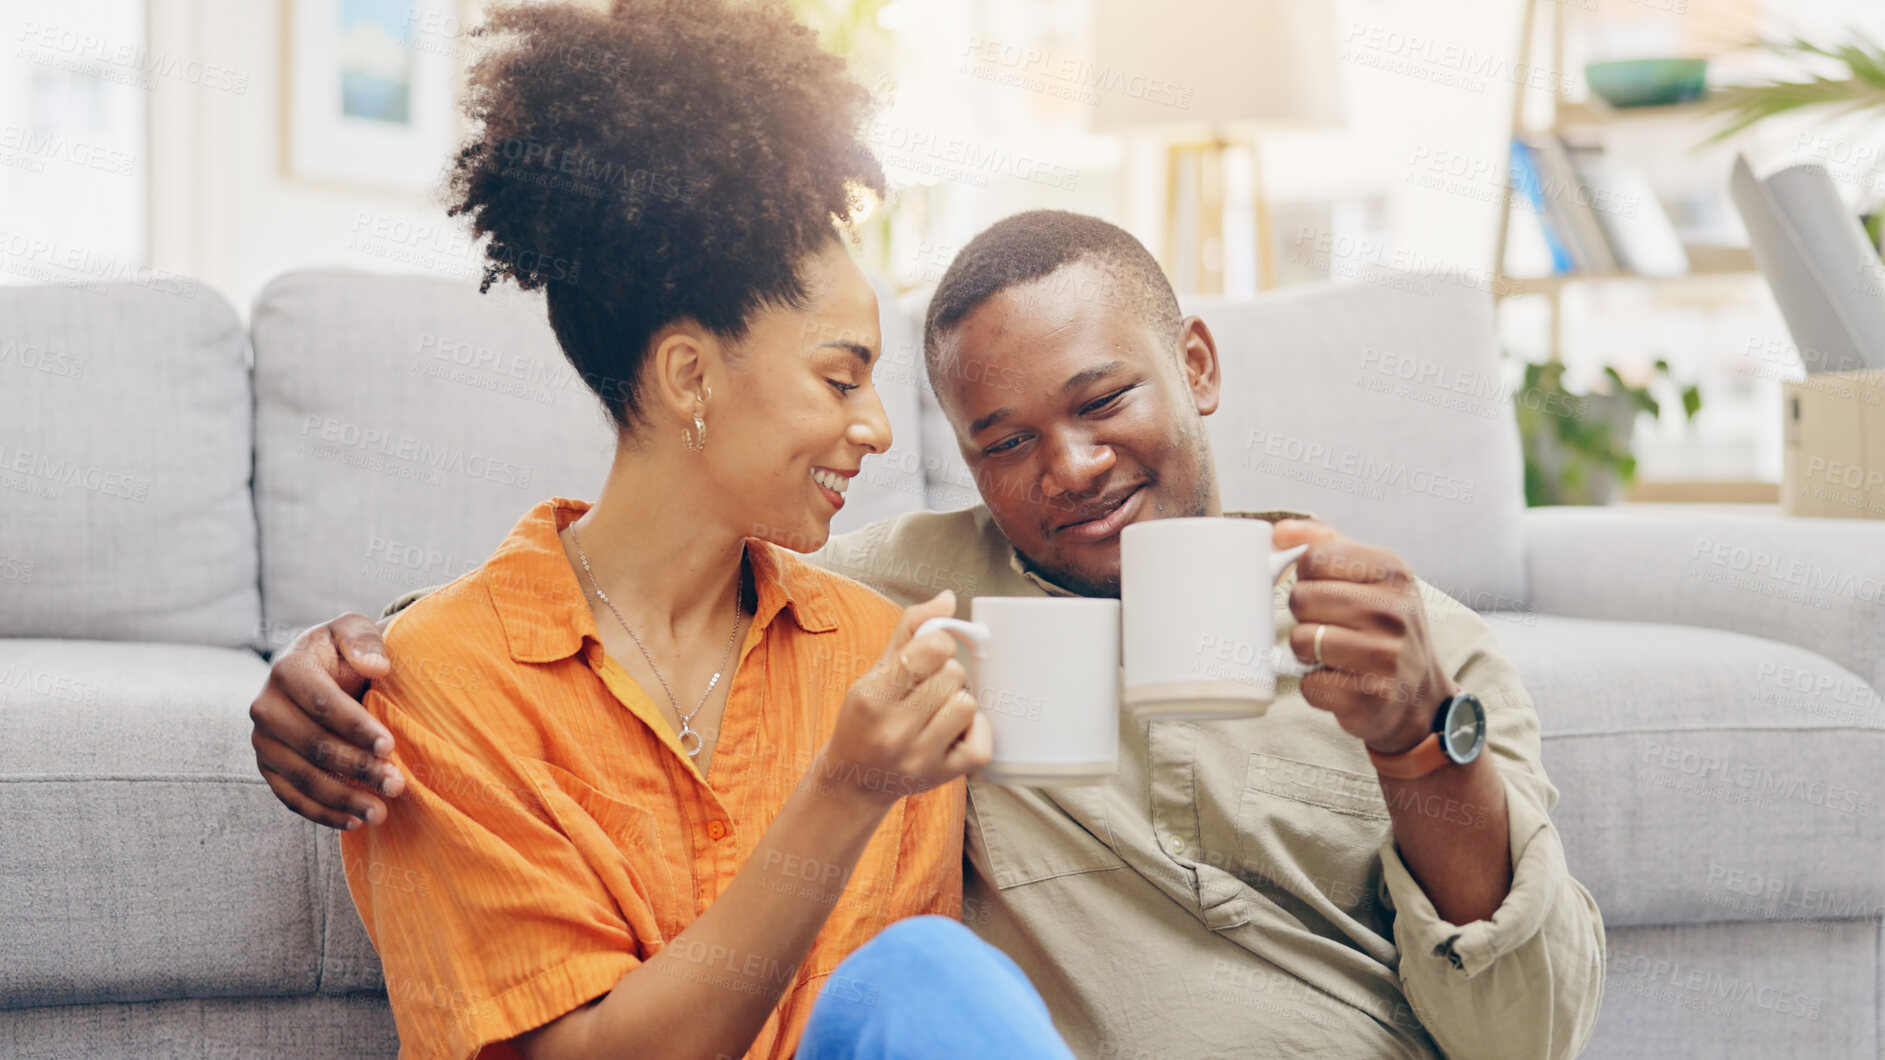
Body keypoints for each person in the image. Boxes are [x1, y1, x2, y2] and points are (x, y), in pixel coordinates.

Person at [258, 209, 1604, 1059]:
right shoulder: (908, 607)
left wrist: (1424, 747)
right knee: (924, 968)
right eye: (1001, 443)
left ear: (1194, 364)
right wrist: (354, 661)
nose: (1066, 468)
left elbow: (1533, 1036)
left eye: (1103, 401)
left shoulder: (1409, 644)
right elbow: (623, 591)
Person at [315, 3, 1082, 1058]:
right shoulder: (446, 686)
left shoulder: (870, 656)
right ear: (691, 377)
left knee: (926, 972)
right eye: (838, 375)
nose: (877, 427)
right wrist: (843, 790)